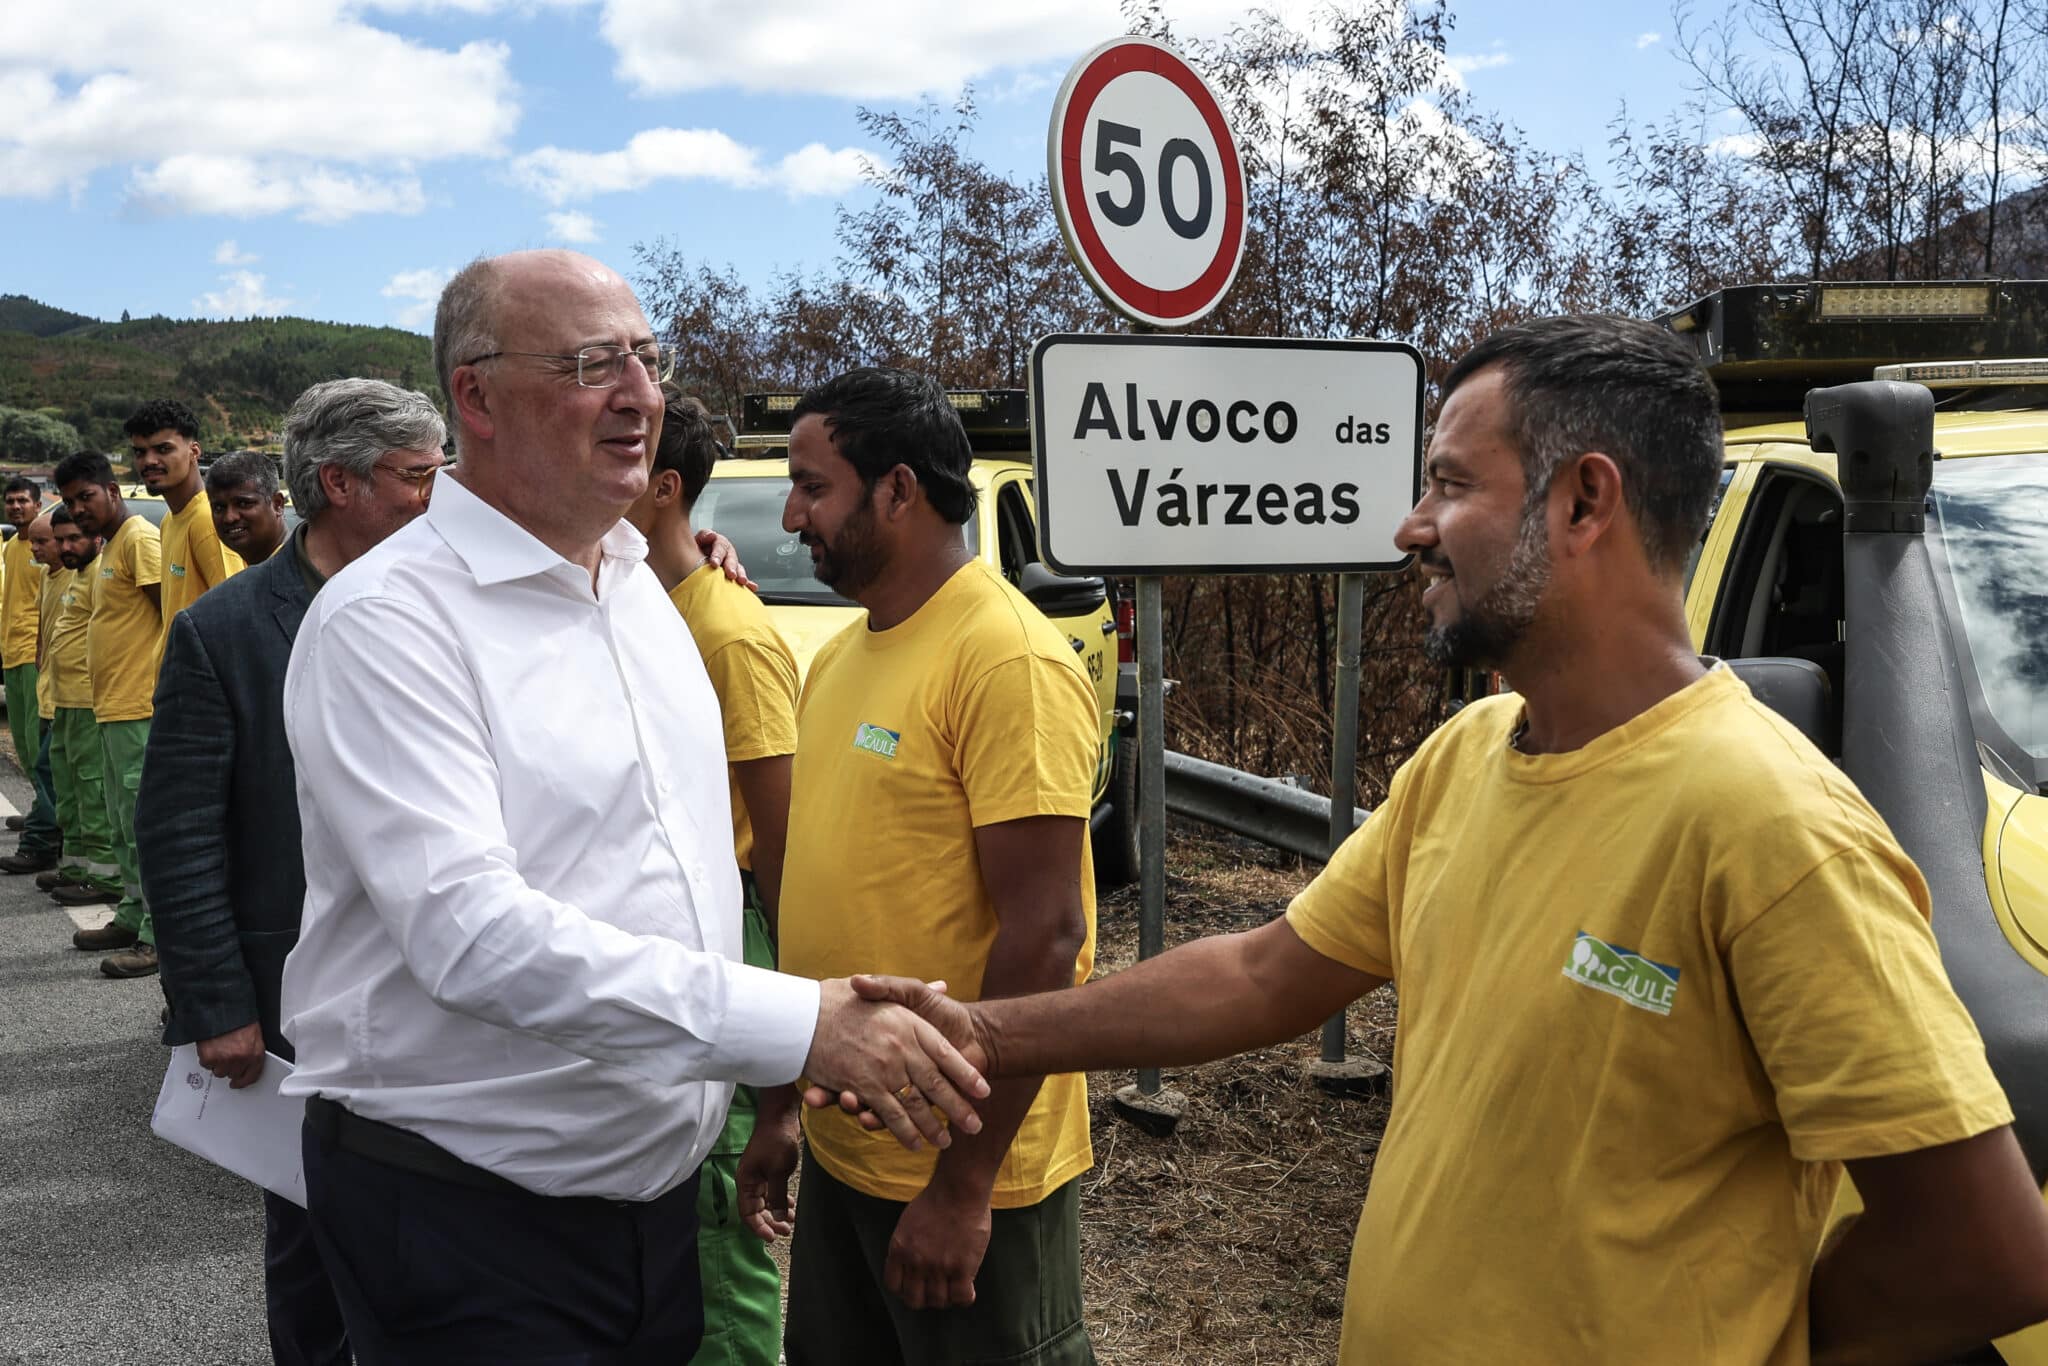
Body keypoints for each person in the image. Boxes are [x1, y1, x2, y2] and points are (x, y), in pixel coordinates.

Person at [840, 316, 2048, 1365]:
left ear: (1582, 500)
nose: (1411, 526)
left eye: (1448, 483)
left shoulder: (1773, 826)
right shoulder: (1471, 754)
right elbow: (1263, 972)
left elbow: (1983, 1249)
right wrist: (975, 1031)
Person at [278, 249, 990, 1365]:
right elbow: (471, 936)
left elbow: (673, 875)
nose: (640, 395)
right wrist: (799, 1027)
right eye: (589, 364)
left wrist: (767, 1079)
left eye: (647, 360)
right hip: (470, 1217)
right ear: (475, 396)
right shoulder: (390, 621)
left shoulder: (640, 593)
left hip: (653, 1208)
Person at [767, 368, 1099, 1366]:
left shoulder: (1004, 660)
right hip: (847, 1142)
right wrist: (785, 1108)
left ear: (899, 490)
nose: (790, 514)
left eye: (813, 486)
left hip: (963, 1169)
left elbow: (1048, 938)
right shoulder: (840, 657)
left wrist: (961, 1189)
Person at [142, 378, 453, 1366]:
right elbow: (180, 833)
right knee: (318, 1245)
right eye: (416, 476)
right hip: (298, 1005)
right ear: (338, 484)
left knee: (448, 1253)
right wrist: (213, 1003)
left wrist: (692, 546)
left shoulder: (452, 601)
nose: (435, 494)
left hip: (446, 995)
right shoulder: (225, 633)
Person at [624, 391, 797, 1366]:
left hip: (734, 935)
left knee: (724, 1211)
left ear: (663, 487)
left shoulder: (727, 633)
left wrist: (783, 1084)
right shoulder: (641, 605)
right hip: (664, 941)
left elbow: (779, 851)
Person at [55, 451, 163, 978]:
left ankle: (157, 937)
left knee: (145, 826)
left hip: (140, 706)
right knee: (123, 824)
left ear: (113, 491)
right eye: (71, 501)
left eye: (86, 497)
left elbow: (171, 613)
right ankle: (132, 912)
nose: (78, 509)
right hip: (111, 708)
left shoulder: (140, 539)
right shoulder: (110, 548)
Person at [43, 508, 119, 907]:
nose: (65, 547)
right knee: (68, 790)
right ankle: (76, 867)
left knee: (92, 790)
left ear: (95, 537)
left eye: (74, 538)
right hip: (64, 701)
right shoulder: (76, 576)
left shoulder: (104, 575)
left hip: (91, 702)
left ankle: (105, 876)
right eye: (60, 540)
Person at [127, 398, 242, 655]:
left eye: (163, 449)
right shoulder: (171, 520)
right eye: (140, 452)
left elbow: (235, 614)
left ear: (194, 452)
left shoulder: (206, 520)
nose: (149, 461)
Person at [0, 475, 61, 874]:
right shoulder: (10, 546)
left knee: (37, 743)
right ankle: (40, 808)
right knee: (22, 741)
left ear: (38, 505)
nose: (16, 507)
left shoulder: (48, 550)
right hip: (11, 652)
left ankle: (46, 818)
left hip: (32, 655)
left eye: (23, 500)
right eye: (10, 501)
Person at [205, 450, 290, 565]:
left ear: (277, 504)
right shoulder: (263, 571)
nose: (229, 518)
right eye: (219, 508)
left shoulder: (295, 572)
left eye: (243, 504)